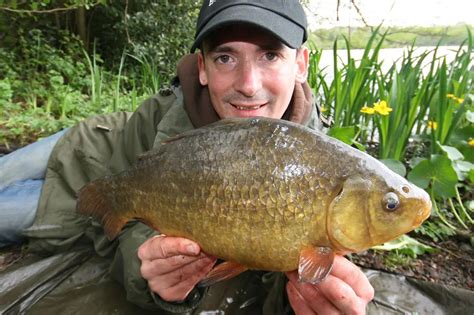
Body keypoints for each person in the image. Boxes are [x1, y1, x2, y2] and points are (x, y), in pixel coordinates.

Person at [0, 0, 374, 314]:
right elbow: (121, 200)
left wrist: (153, 272)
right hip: (87, 146)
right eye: (226, 57)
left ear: (301, 64)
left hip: (79, 198)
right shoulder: (159, 116)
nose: (248, 84)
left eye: (270, 55)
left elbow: (121, 229)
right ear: (202, 68)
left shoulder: (322, 163)